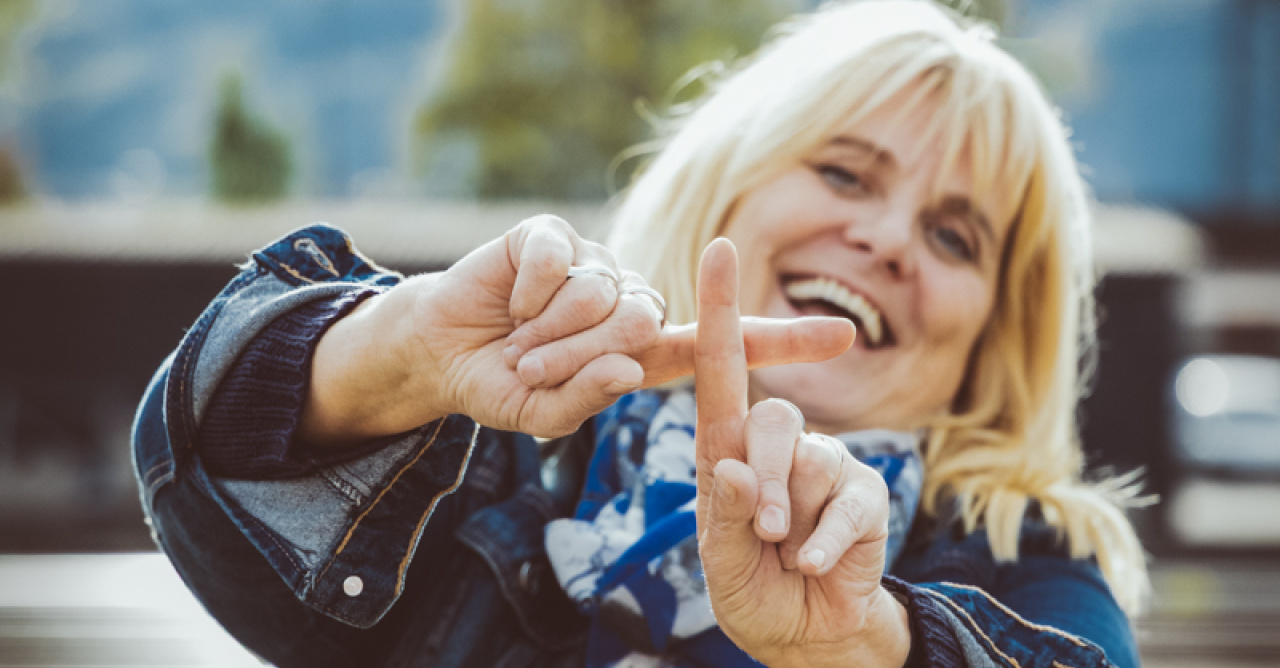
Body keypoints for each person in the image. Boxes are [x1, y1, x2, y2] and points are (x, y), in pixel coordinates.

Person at [132, 1, 1149, 666]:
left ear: (994, 334)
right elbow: (204, 469)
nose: (884, 237)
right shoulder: (510, 462)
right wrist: (398, 354)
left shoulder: (1028, 551)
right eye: (843, 172)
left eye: (952, 235)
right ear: (726, 186)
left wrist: (860, 641)